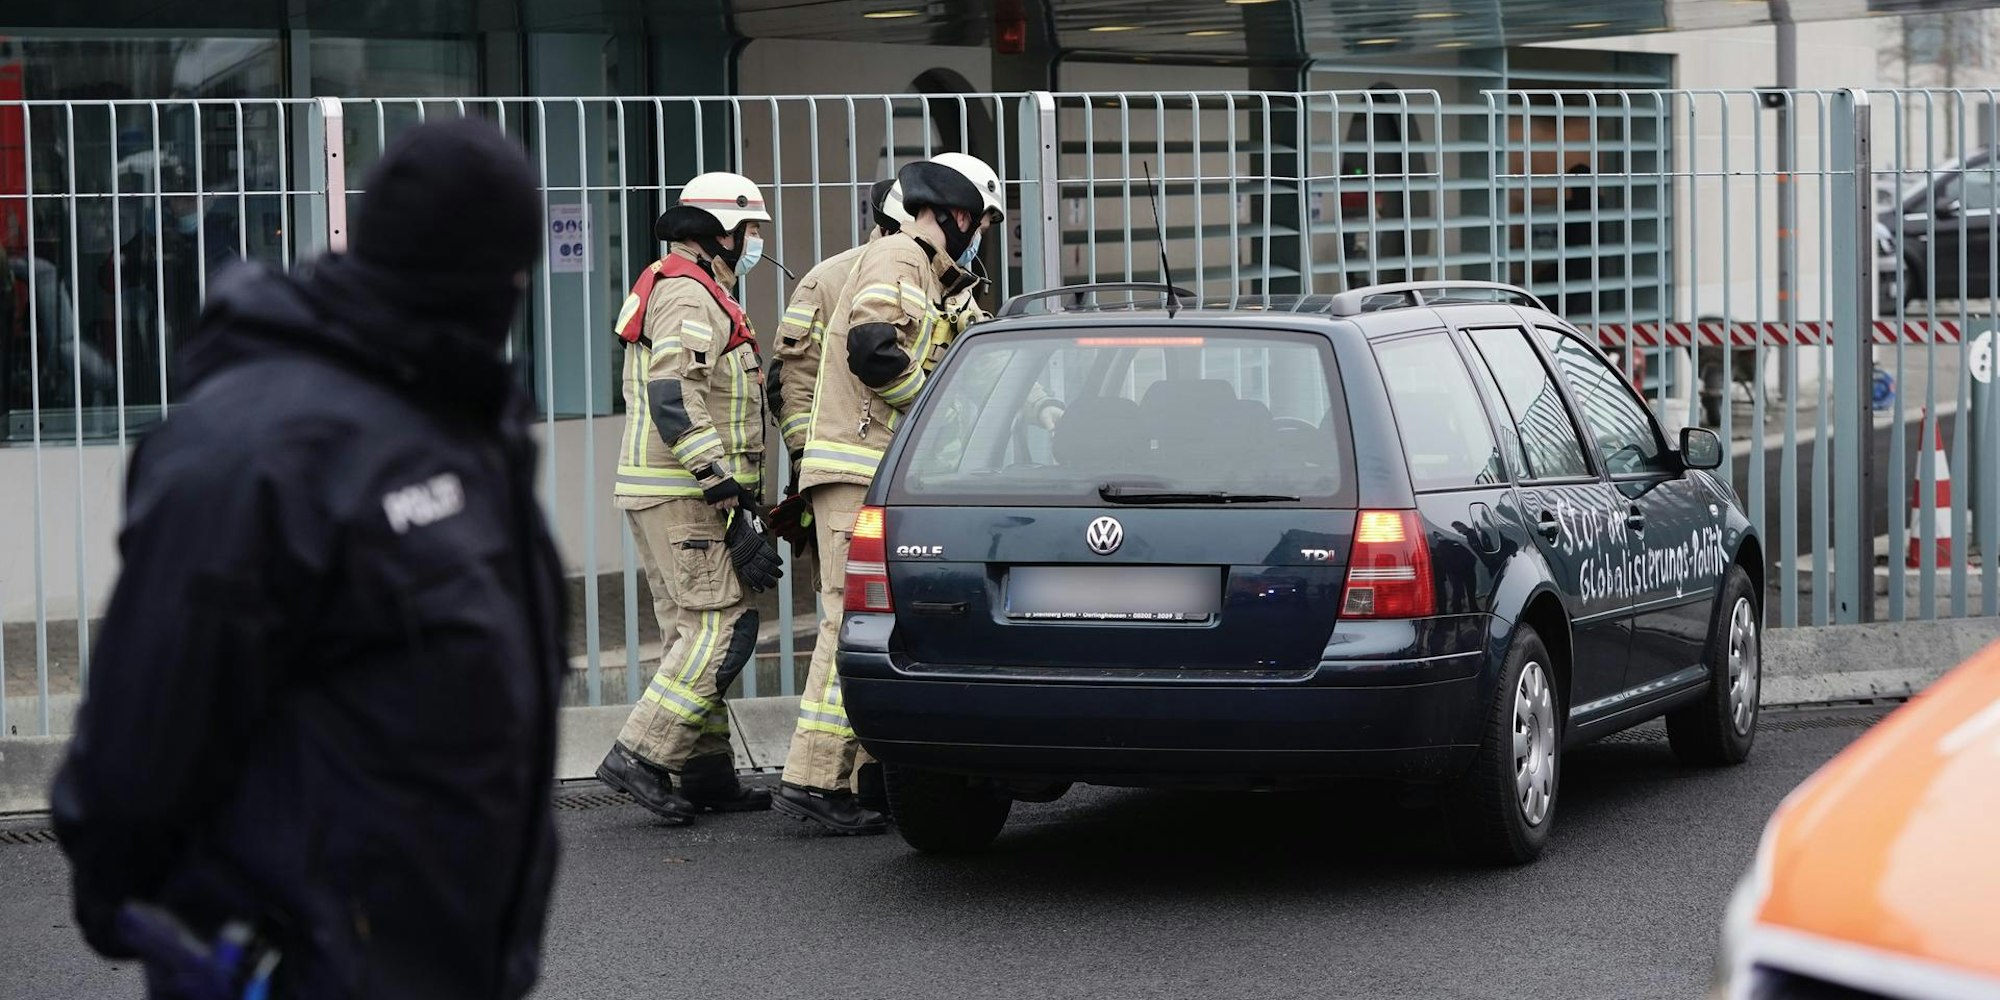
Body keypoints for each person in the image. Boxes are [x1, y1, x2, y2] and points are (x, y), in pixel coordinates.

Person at [51, 119, 567, 1000]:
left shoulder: (459, 415)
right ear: (480, 279)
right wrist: (165, 923)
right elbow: (142, 736)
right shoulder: (260, 448)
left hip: (452, 964)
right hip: (300, 968)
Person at [774, 152, 1004, 835]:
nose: (980, 236)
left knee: (873, 626)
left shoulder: (936, 275)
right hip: (857, 468)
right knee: (849, 623)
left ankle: (861, 774)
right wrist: (931, 413)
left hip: (882, 474)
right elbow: (873, 349)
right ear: (955, 213)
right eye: (979, 222)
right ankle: (815, 779)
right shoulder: (899, 256)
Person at [596, 172, 785, 824]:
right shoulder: (687, 294)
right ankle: (640, 755)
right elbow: (673, 395)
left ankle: (705, 771)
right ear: (719, 232)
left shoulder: (687, 287)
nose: (755, 242)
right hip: (687, 491)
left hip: (670, 488)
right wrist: (723, 490)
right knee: (724, 627)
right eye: (750, 229)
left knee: (692, 633)